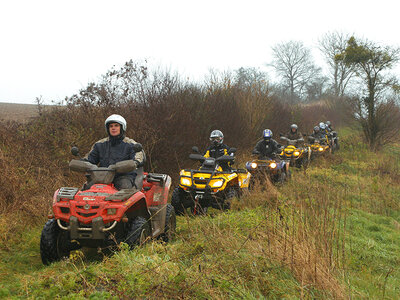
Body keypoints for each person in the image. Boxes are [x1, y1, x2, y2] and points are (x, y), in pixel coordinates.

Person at [84, 114, 145, 190]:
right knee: (87, 190)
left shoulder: (131, 144)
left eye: (116, 126)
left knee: (124, 188)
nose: (113, 128)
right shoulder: (99, 144)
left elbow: (138, 157)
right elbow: (90, 159)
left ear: (122, 128)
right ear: (108, 128)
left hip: (124, 176)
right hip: (103, 177)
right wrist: (83, 162)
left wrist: (135, 162)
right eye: (111, 126)